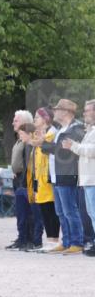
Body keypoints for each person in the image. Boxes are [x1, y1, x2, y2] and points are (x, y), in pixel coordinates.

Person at [40, 99, 86, 254]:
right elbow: (55, 148)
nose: (55, 112)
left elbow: (63, 150)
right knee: (60, 211)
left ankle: (77, 242)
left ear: (66, 111)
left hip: (67, 173)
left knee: (70, 210)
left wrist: (44, 144)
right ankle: (66, 241)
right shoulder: (61, 128)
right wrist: (45, 145)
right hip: (56, 174)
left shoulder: (76, 128)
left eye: (57, 109)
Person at [62, 99, 95, 256]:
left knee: (94, 213)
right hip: (88, 179)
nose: (84, 113)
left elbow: (92, 150)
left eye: (87, 110)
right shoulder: (90, 130)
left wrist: (73, 146)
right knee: (91, 213)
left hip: (93, 179)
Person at [21, 122, 58, 252]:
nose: (36, 136)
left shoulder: (47, 142)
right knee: (44, 213)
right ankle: (50, 240)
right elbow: (35, 168)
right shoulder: (35, 148)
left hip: (48, 182)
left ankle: (54, 240)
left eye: (39, 133)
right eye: (36, 134)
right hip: (39, 183)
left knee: (51, 213)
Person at [7, 110, 36, 251]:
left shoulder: (28, 141)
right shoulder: (19, 139)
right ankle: (22, 237)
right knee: (20, 211)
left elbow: (28, 162)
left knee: (28, 211)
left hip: (25, 179)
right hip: (17, 177)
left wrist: (23, 179)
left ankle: (30, 239)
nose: (13, 122)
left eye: (16, 120)